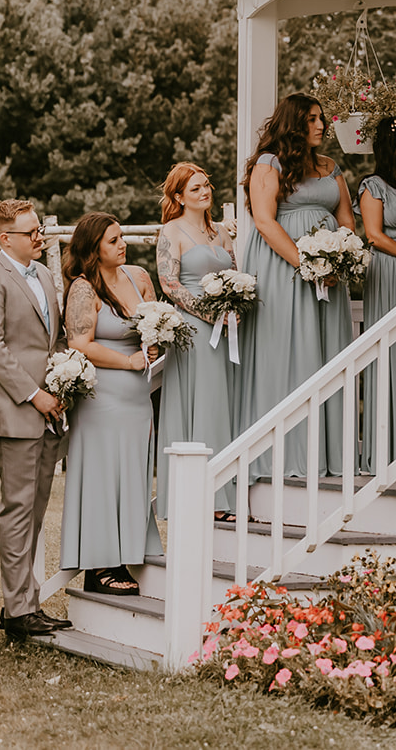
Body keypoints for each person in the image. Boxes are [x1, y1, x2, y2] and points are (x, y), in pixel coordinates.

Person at [235, 93, 357, 478]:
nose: (321, 125)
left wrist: (340, 255)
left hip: (330, 275)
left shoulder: (331, 167)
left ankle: (330, 453)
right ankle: (283, 454)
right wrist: (308, 264)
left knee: (326, 353)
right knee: (286, 352)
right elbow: (265, 221)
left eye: (322, 118)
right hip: (283, 271)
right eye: (313, 119)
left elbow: (347, 218)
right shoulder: (268, 164)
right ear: (294, 123)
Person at [0, 199, 72, 641]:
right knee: (17, 512)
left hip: (50, 411)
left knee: (35, 511)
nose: (39, 237)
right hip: (16, 411)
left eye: (38, 229)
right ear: (4, 237)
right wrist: (34, 395)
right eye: (30, 232)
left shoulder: (46, 274)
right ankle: (18, 611)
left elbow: (54, 337)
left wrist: (66, 383)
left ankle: (25, 604)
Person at [60, 212, 163, 595]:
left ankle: (133, 548)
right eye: (113, 241)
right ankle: (101, 565)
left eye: (122, 238)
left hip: (138, 396)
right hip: (101, 398)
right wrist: (128, 360)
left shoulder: (139, 277)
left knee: (133, 471)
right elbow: (79, 344)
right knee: (104, 475)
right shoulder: (84, 288)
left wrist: (154, 343)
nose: (123, 245)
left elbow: (154, 322)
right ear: (93, 250)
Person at [155, 162, 240, 521]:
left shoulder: (221, 232)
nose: (205, 192)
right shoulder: (171, 231)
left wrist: (235, 304)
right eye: (195, 189)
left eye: (206, 186)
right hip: (195, 328)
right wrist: (210, 314)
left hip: (229, 327)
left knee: (224, 402)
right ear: (178, 196)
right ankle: (205, 499)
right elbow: (169, 283)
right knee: (203, 403)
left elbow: (234, 273)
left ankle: (225, 489)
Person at [357, 117, 396, 470]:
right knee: (393, 352)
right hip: (390, 272)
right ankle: (388, 449)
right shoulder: (373, 186)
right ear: (392, 146)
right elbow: (374, 235)